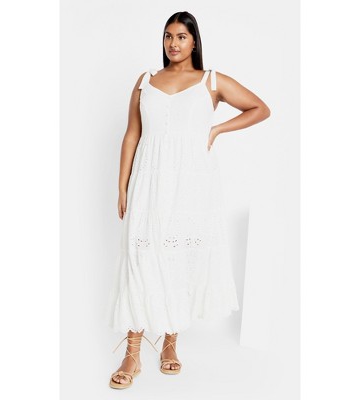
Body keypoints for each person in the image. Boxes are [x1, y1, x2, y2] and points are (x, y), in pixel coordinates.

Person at [106, 11, 271, 389]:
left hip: (192, 184)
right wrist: (122, 185)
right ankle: (132, 352)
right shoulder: (146, 81)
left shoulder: (211, 81)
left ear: (194, 41)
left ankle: (170, 343)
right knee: (139, 258)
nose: (173, 43)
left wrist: (216, 129)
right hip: (148, 181)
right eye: (168, 36)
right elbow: (132, 134)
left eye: (181, 36)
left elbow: (260, 108)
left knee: (178, 259)